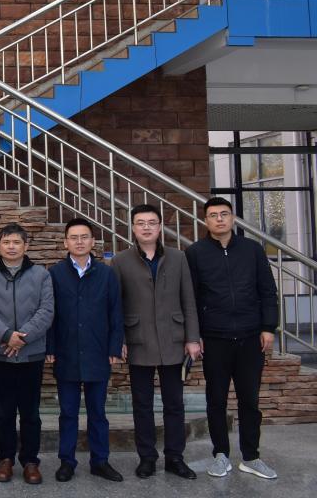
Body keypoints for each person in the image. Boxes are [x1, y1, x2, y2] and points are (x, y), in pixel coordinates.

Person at [186, 197, 280, 480]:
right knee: (216, 400)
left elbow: (267, 290)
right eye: (213, 215)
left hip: (251, 337)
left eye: (224, 214)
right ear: (205, 221)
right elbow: (191, 298)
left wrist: (268, 327)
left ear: (233, 218)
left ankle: (251, 456)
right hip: (214, 338)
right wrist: (195, 334)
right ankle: (221, 455)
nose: (219, 219)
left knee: (249, 400)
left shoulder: (252, 250)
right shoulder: (195, 253)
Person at [111, 204, 201, 480]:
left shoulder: (178, 257)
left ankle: (175, 457)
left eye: (152, 222)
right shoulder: (120, 261)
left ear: (160, 227)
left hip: (173, 339)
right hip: (138, 340)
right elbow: (115, 304)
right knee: (142, 404)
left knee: (174, 403)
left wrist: (192, 338)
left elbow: (189, 300)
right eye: (141, 223)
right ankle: (147, 458)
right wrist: (119, 339)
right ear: (133, 228)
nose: (146, 227)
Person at [47, 217, 124, 483]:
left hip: (97, 351)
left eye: (84, 237)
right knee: (68, 412)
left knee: (97, 412)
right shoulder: (55, 274)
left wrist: (115, 346)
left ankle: (100, 461)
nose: (79, 242)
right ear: (65, 242)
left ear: (92, 241)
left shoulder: (106, 274)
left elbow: (116, 312)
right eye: (74, 238)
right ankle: (66, 462)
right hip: (66, 352)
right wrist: (50, 346)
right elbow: (49, 314)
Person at [0, 223, 54, 485]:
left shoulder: (41, 275)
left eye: (16, 242)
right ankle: (5, 459)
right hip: (1, 355)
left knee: (31, 412)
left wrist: (22, 338)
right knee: (4, 412)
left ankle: (30, 461)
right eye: (6, 242)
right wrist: (7, 335)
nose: (11, 247)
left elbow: (46, 311)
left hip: (32, 354)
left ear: (26, 246)